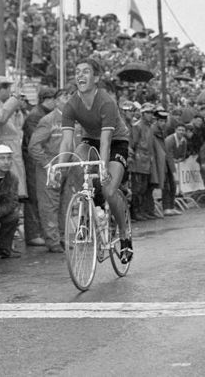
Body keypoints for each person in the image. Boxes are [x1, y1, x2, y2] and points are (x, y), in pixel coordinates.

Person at [57, 57, 133, 264]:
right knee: (76, 162)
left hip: (116, 142)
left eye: (86, 71)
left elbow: (106, 142)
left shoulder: (106, 102)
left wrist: (103, 170)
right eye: (77, 71)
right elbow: (66, 142)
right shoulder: (71, 104)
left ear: (96, 78)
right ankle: (87, 214)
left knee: (108, 190)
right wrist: (59, 165)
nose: (80, 75)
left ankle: (125, 236)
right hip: (90, 139)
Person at [28, 88, 71, 252]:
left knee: (65, 205)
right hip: (51, 168)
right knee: (49, 205)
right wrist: (47, 164)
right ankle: (53, 241)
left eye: (71, 96)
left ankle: (63, 238)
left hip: (69, 167)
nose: (68, 99)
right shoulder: (49, 120)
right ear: (56, 100)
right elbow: (34, 145)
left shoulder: (75, 120)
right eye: (65, 96)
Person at [21, 86, 59, 248]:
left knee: (44, 198)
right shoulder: (36, 116)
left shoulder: (43, 115)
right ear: (47, 99)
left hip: (42, 160)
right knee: (34, 197)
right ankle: (33, 233)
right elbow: (35, 142)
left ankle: (43, 232)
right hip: (35, 161)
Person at [129, 102, 159, 220]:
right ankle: (135, 212)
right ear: (143, 113)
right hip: (138, 161)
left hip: (147, 161)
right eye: (148, 113)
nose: (151, 115)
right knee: (137, 189)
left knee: (146, 188)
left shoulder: (150, 127)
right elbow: (133, 144)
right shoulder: (137, 126)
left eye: (152, 113)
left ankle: (143, 210)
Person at [162, 123, 186, 216]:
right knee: (166, 185)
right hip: (164, 163)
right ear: (175, 130)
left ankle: (171, 207)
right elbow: (168, 156)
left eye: (183, 130)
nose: (181, 132)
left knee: (173, 186)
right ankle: (166, 208)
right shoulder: (169, 140)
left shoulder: (184, 140)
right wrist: (174, 172)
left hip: (172, 163)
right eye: (179, 130)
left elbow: (183, 154)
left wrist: (180, 159)